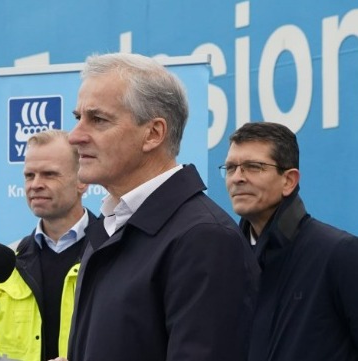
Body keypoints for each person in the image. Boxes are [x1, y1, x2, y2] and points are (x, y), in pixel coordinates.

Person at [56, 53, 259, 361]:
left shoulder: (204, 239)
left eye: (97, 120)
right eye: (77, 118)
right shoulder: (111, 225)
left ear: (153, 134)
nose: (75, 136)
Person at [221, 121, 358, 361]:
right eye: (231, 168)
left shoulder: (339, 253)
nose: (237, 178)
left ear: (289, 181)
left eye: (253, 167)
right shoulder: (227, 261)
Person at [0, 130, 96, 361]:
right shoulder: (7, 264)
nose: (36, 184)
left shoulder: (113, 253)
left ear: (82, 181)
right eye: (29, 175)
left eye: (49, 174)